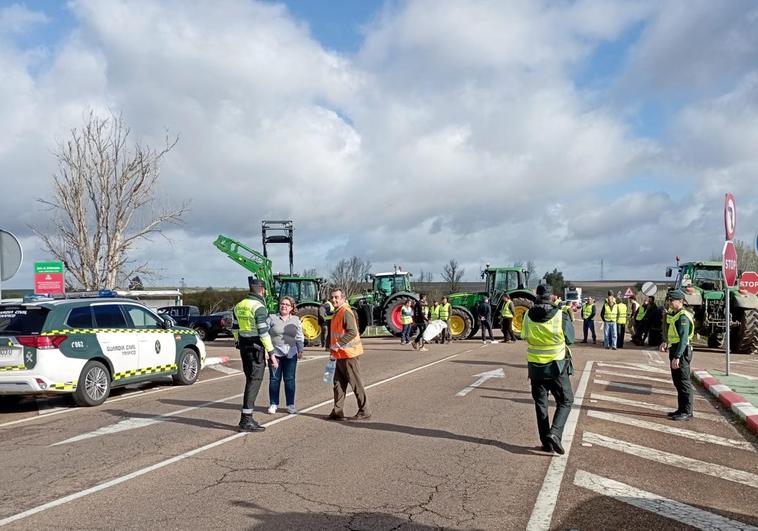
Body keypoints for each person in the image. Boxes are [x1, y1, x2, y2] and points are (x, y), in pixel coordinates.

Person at [522, 284, 574, 455]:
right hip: (556, 366)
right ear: (552, 297)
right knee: (566, 400)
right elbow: (570, 338)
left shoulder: (527, 315)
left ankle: (546, 442)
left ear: (536, 296)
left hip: (535, 368)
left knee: (541, 405)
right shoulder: (560, 315)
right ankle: (555, 433)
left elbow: (524, 336)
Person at [233, 278, 278, 432]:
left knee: (249, 379)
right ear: (262, 289)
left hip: (244, 347)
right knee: (254, 381)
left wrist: (238, 342)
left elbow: (235, 328)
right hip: (256, 348)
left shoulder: (239, 306)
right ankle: (246, 419)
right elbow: (264, 333)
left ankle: (247, 417)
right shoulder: (259, 307)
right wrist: (271, 353)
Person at [328, 288, 370, 421]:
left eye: (336, 297)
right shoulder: (338, 311)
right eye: (332, 297)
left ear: (343, 298)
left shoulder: (345, 311)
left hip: (349, 354)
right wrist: (333, 351)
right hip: (340, 354)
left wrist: (339, 344)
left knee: (355, 383)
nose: (334, 299)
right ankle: (337, 411)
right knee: (338, 384)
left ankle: (365, 410)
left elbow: (352, 331)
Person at [659, 290, 695, 421]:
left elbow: (684, 338)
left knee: (684, 382)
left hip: (682, 351)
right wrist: (666, 342)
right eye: (669, 300)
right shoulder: (675, 314)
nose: (669, 302)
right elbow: (672, 333)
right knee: (678, 382)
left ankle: (687, 411)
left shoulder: (683, 316)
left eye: (672, 300)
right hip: (674, 349)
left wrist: (678, 356)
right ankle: (681, 409)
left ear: (680, 301)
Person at [267, 296, 304, 415]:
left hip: (290, 353)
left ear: (292, 308)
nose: (284, 306)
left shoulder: (296, 320)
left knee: (289, 379)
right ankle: (273, 403)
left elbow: (299, 336)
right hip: (275, 353)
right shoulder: (272, 318)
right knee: (274, 379)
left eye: (287, 305)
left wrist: (300, 349)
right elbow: (265, 335)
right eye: (282, 304)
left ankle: (290, 405)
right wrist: (266, 351)